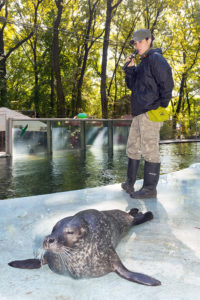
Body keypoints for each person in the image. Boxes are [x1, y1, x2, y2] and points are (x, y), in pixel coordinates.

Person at [121, 28, 174, 199]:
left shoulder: (156, 59)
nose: (136, 45)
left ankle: (150, 189)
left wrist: (160, 106)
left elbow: (167, 84)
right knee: (132, 147)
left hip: (151, 111)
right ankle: (130, 183)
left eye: (139, 41)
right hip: (138, 113)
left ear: (149, 40)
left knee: (150, 148)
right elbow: (132, 86)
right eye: (135, 42)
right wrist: (130, 69)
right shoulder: (142, 63)